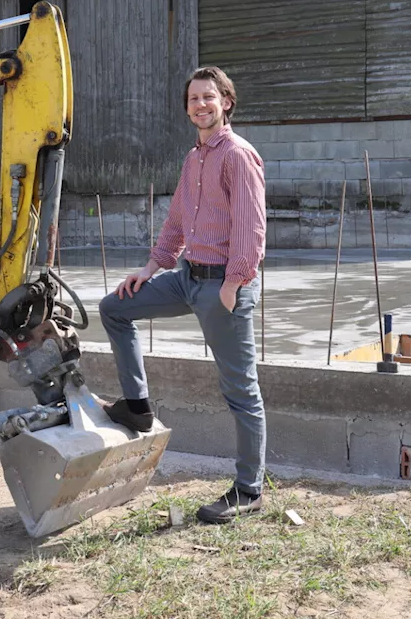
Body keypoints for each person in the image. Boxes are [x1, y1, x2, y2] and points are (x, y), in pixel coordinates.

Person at [98, 66, 267, 524]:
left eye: (209, 97)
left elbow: (251, 229)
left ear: (226, 102)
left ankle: (249, 490)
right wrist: (150, 268)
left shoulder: (238, 155)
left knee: (240, 390)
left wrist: (233, 285)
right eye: (193, 99)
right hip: (186, 277)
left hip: (222, 287)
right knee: (115, 308)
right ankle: (136, 408)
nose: (200, 105)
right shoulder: (194, 159)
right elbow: (176, 223)